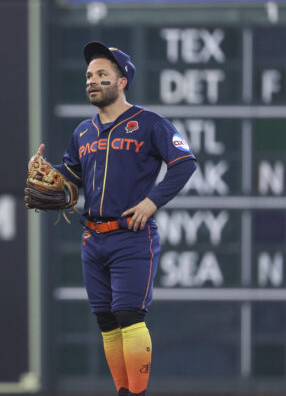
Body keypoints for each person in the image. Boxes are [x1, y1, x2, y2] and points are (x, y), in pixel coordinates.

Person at [33, 42, 196, 395]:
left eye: (102, 75)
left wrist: (152, 201)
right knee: (106, 321)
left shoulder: (149, 123)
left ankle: (134, 393)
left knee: (128, 315)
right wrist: (50, 175)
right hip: (93, 237)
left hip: (131, 235)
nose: (92, 81)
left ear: (122, 81)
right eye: (89, 75)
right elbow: (72, 178)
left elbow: (185, 163)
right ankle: (122, 390)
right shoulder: (83, 132)